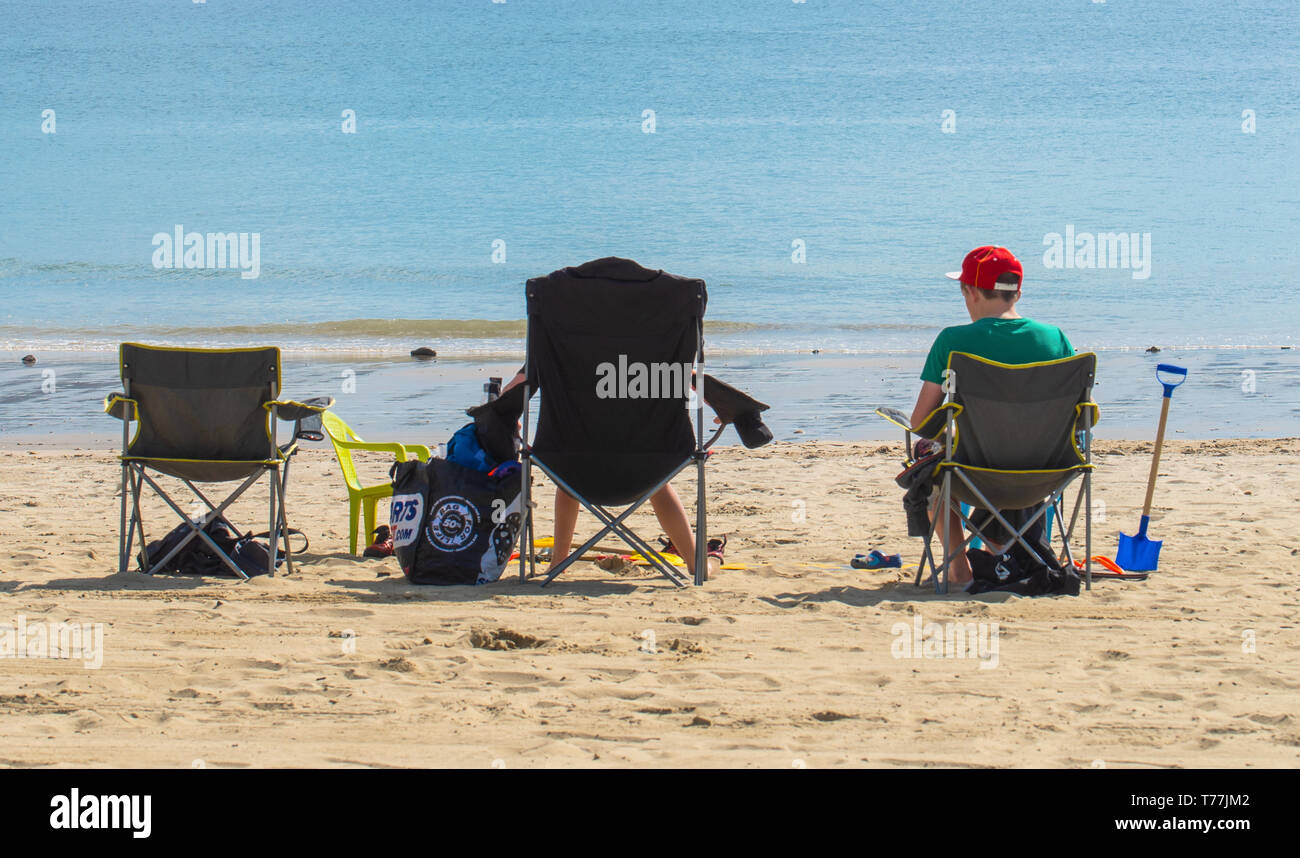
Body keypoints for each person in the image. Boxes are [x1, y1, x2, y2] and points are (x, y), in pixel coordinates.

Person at [909, 246, 1075, 590]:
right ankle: (1009, 551)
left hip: (974, 475)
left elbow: (921, 422)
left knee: (931, 475)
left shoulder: (953, 341)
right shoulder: (1054, 338)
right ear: (1018, 292)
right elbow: (1078, 419)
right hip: (1045, 474)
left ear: (969, 291)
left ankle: (960, 572)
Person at [500, 368, 712, 579]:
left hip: (573, 463)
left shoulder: (558, 334)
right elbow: (685, 369)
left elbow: (530, 371)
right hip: (650, 464)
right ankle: (696, 563)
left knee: (567, 470)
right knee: (658, 483)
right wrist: (729, 407)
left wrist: (503, 408)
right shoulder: (665, 333)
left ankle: (558, 561)